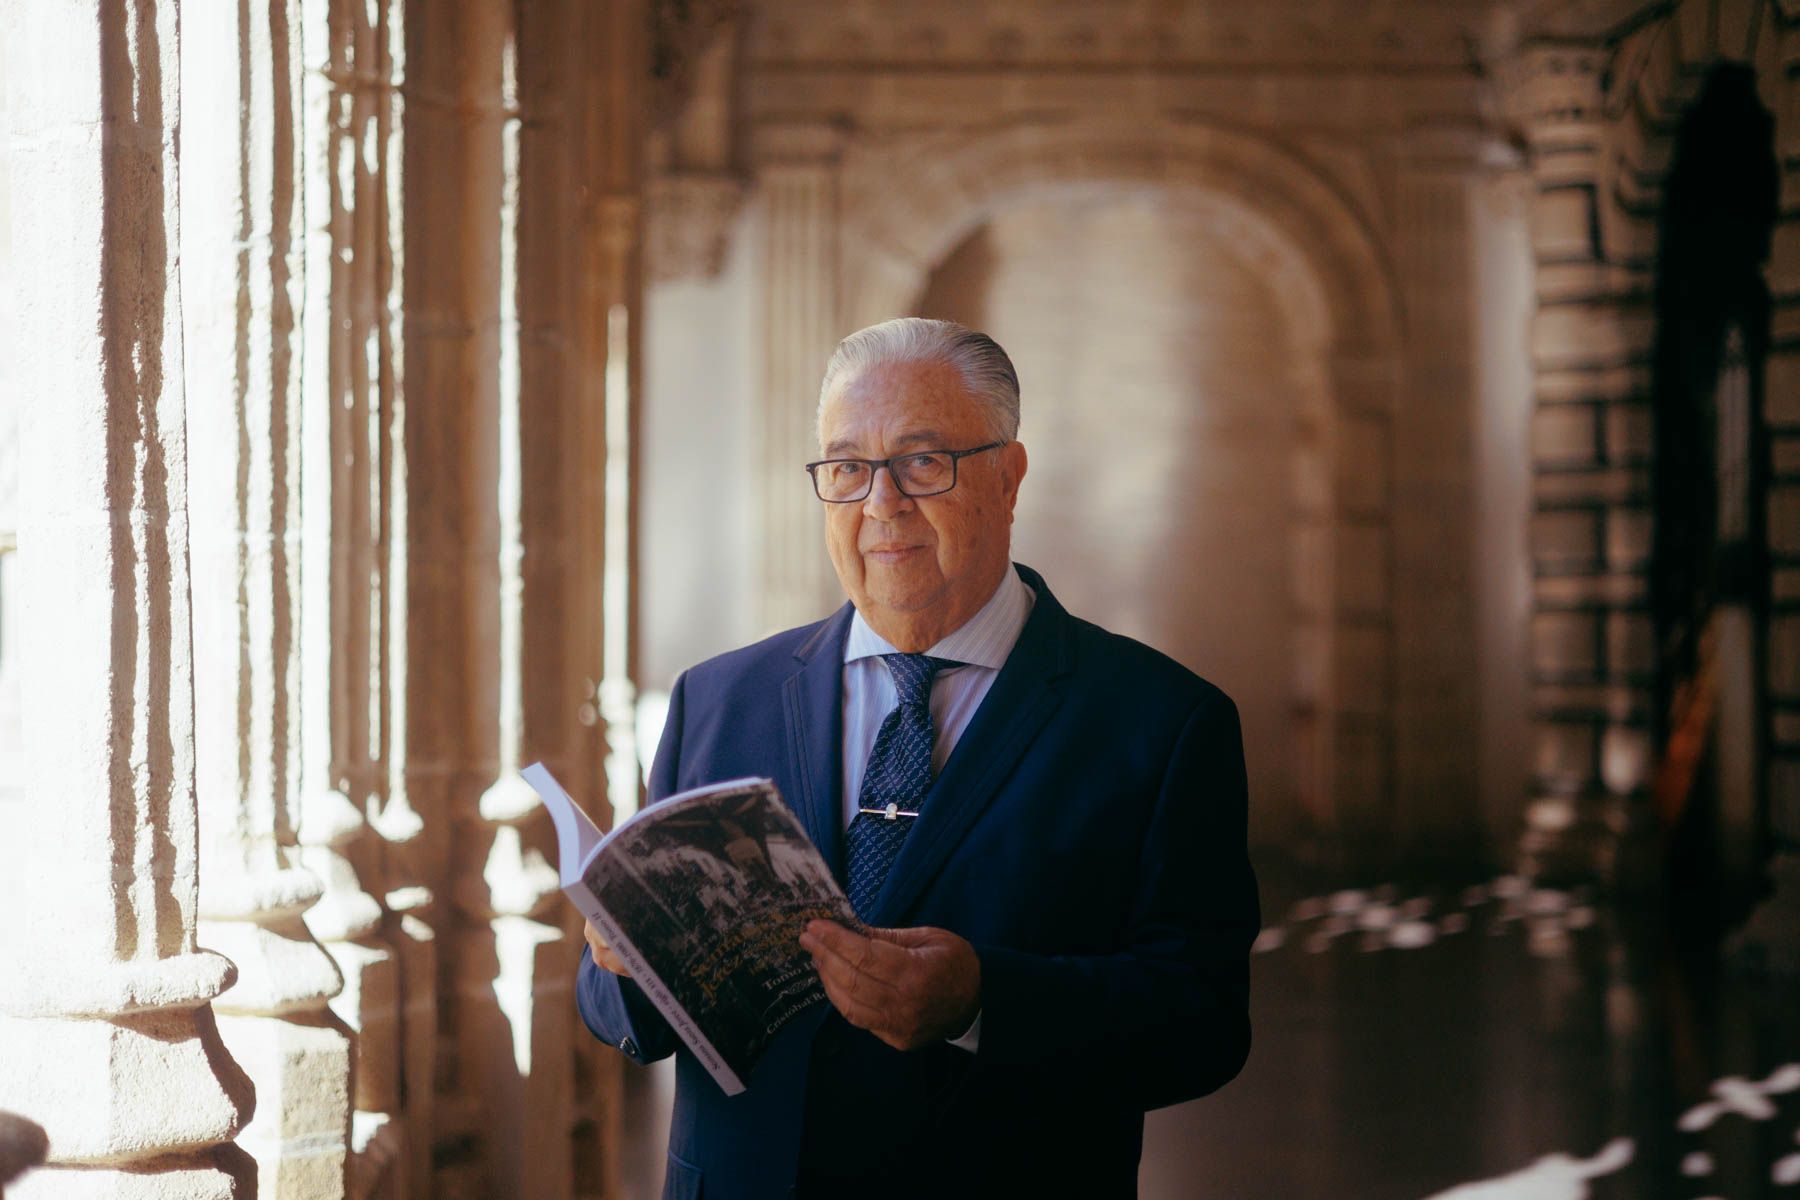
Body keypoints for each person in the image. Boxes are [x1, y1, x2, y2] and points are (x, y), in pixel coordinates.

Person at [576, 317, 1259, 1199]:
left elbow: (1203, 1021)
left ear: (1009, 478)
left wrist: (983, 1003)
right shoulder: (717, 701)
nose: (881, 503)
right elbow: (617, 1016)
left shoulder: (1161, 723)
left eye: (923, 462)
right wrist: (622, 965)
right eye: (847, 467)